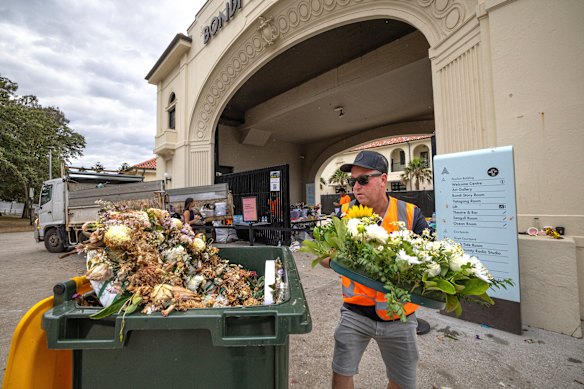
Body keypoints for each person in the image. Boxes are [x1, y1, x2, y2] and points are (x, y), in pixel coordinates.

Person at [320, 150, 429, 389]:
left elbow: (428, 263)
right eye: (352, 181)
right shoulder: (344, 214)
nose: (355, 187)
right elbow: (324, 257)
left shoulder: (411, 214)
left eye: (363, 180)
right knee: (341, 373)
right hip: (355, 312)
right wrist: (340, 258)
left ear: (383, 180)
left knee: (402, 381)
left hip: (401, 315)